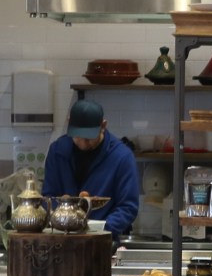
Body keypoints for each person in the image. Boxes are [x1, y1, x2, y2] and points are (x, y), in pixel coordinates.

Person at [42, 97, 141, 239]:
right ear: (69, 123)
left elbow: (128, 207)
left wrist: (100, 229)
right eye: (77, 137)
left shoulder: (121, 157)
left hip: (102, 242)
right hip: (60, 239)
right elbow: (48, 198)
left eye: (89, 138)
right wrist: (62, 219)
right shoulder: (58, 151)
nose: (82, 143)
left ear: (103, 125)